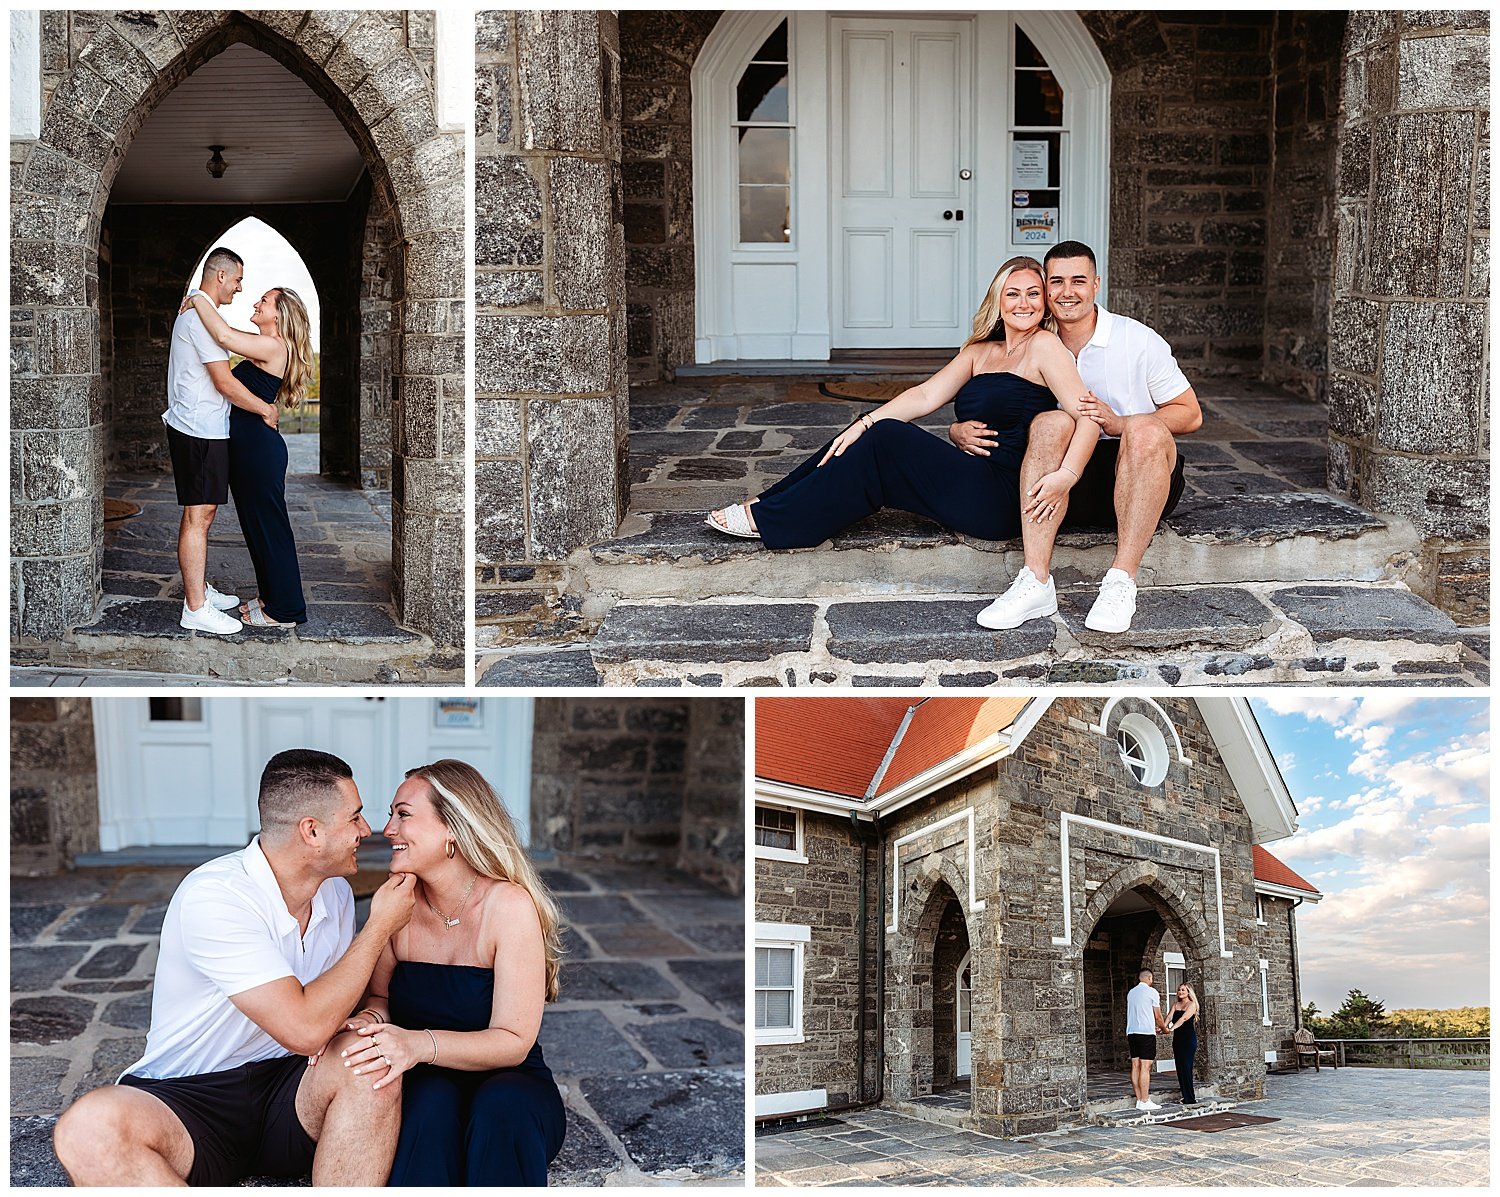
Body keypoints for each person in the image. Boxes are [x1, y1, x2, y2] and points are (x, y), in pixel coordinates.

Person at [52, 749, 418, 1186]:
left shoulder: (335, 892)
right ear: (312, 831)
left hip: (289, 1087)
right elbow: (305, 1028)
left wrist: (357, 1019)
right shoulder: (217, 897)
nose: (367, 829)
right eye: (355, 817)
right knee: (88, 1129)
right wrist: (378, 927)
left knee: (370, 1060)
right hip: (190, 1100)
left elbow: (330, 1007)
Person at [705, 256, 1100, 548]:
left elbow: (1086, 419)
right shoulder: (980, 352)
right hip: (971, 477)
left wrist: (1067, 475)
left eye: (1034, 294)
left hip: (1003, 496)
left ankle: (775, 518)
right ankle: (772, 501)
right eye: (1013, 293)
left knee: (887, 437)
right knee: (871, 431)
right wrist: (863, 422)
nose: (1024, 303)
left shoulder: (1045, 347)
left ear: (1045, 303)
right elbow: (926, 395)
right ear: (997, 300)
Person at [955, 240, 1203, 634]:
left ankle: (1121, 580)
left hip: (1141, 475)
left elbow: (1190, 414)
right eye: (1056, 282)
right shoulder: (1031, 337)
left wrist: (1120, 423)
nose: (1067, 292)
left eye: (1078, 281)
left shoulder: (1135, 339)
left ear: (1096, 285)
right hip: (1061, 481)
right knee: (1052, 423)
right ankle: (1035, 580)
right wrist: (957, 428)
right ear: (1045, 287)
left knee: (1143, 429)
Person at [339, 759, 567, 1186]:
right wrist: (368, 1022)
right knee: (429, 1107)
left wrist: (418, 1044)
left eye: (403, 815)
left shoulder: (508, 907)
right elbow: (382, 999)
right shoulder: (396, 904)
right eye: (391, 814)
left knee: (502, 1111)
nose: (386, 830)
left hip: (510, 1083)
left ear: (452, 830)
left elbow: (514, 1042)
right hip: (428, 1079)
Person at [182, 282, 314, 628]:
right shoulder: (266, 345)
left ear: (280, 314)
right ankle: (271, 598)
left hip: (258, 452)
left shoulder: (273, 345)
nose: (256, 302)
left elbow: (223, 337)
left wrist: (198, 297)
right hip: (251, 450)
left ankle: (285, 611)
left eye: (265, 301)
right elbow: (225, 334)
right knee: (257, 529)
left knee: (271, 530)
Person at [165, 246, 283, 636]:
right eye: (237, 280)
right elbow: (225, 382)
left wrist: (198, 300)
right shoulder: (199, 319)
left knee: (204, 515)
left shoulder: (201, 313)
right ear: (220, 276)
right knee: (199, 517)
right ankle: (195, 608)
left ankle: (199, 592)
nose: (238, 288)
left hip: (205, 428)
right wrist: (266, 410)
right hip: (198, 429)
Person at [1125, 967, 1169, 1111]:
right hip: (1146, 1033)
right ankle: (1145, 1100)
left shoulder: (1131, 993)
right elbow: (1157, 1016)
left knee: (1135, 1065)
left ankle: (1139, 1099)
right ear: (1149, 978)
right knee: (1146, 1067)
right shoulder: (1152, 992)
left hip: (1132, 1032)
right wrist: (1164, 1029)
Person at [1166, 981, 1200, 1105]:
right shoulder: (1176, 1005)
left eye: (1183, 990)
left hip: (1188, 1040)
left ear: (1188, 992)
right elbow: (1169, 1017)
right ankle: (1185, 1096)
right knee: (1180, 1068)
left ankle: (1190, 1098)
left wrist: (1171, 1028)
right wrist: (1162, 1028)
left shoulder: (1192, 1005)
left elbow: (1183, 1018)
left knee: (1186, 1067)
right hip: (1178, 1040)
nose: (1180, 992)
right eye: (1179, 990)